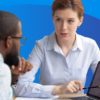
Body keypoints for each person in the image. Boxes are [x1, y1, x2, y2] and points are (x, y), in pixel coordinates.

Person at [15, 0, 100, 98]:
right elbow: (20, 87)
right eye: (58, 19)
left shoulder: (90, 46)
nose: (63, 27)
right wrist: (58, 89)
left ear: (80, 20)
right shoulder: (42, 45)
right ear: (52, 19)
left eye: (70, 21)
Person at [0, 11, 32, 100]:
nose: (20, 45)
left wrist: (12, 76)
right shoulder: (2, 70)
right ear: (8, 41)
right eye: (19, 38)